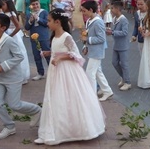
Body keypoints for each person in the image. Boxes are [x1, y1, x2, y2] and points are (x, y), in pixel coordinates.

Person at [34, 9, 105, 145]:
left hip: (67, 72)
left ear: (57, 22)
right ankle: (52, 130)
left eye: (49, 21)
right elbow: (58, 50)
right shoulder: (54, 36)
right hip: (56, 71)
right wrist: (50, 53)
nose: (47, 23)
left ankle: (72, 130)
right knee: (54, 97)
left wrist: (60, 57)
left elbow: (76, 55)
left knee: (67, 97)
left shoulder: (67, 36)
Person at [0, 13, 41, 140]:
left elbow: (19, 56)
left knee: (14, 105)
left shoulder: (9, 41)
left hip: (13, 78)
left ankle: (36, 110)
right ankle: (9, 126)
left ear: (3, 28)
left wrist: (4, 65)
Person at [80, 0, 113, 101]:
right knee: (98, 72)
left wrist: (88, 40)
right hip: (93, 51)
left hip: (97, 52)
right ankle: (107, 91)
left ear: (90, 10)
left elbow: (101, 38)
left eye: (84, 11)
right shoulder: (90, 20)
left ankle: (92, 96)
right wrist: (85, 46)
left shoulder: (98, 22)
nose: (83, 13)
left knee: (90, 73)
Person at [1, 0, 30, 83]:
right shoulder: (4, 14)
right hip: (8, 33)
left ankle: (22, 75)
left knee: (17, 53)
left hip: (13, 35)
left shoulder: (11, 14)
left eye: (3, 4)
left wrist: (10, 35)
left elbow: (18, 26)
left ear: (8, 5)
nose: (2, 6)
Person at [106, 1, 131, 91]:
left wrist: (112, 32)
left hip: (123, 45)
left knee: (124, 64)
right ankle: (123, 77)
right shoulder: (115, 19)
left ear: (117, 9)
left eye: (112, 8)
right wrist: (111, 31)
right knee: (114, 62)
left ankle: (127, 82)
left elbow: (125, 32)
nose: (111, 10)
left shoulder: (123, 20)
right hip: (116, 44)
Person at [25, 0, 51, 80]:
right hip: (34, 38)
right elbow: (27, 27)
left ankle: (52, 72)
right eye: (33, 4)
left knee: (47, 55)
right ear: (31, 6)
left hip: (43, 37)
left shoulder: (44, 12)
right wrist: (30, 21)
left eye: (37, 4)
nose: (35, 6)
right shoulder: (29, 14)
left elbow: (47, 23)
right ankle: (40, 73)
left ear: (39, 4)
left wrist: (38, 19)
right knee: (36, 56)